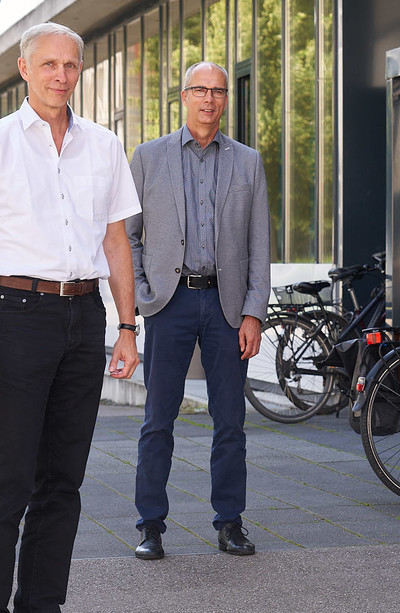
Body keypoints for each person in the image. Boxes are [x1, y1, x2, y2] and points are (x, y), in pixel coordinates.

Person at [0, 22, 141, 613]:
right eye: (49, 64)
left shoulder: (104, 145)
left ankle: (40, 611)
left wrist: (128, 326)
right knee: (10, 477)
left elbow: (116, 241)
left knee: (65, 477)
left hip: (85, 318)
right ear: (24, 67)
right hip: (18, 316)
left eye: (71, 65)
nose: (61, 75)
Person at [126, 61, 270, 560]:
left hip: (227, 306)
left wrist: (254, 312)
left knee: (230, 420)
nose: (209, 99)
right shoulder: (147, 158)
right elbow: (129, 238)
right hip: (171, 303)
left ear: (227, 99)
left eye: (219, 91)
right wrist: (145, 296)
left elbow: (258, 243)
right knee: (157, 419)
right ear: (184, 96)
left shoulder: (248, 162)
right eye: (200, 90)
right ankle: (150, 525)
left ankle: (230, 521)